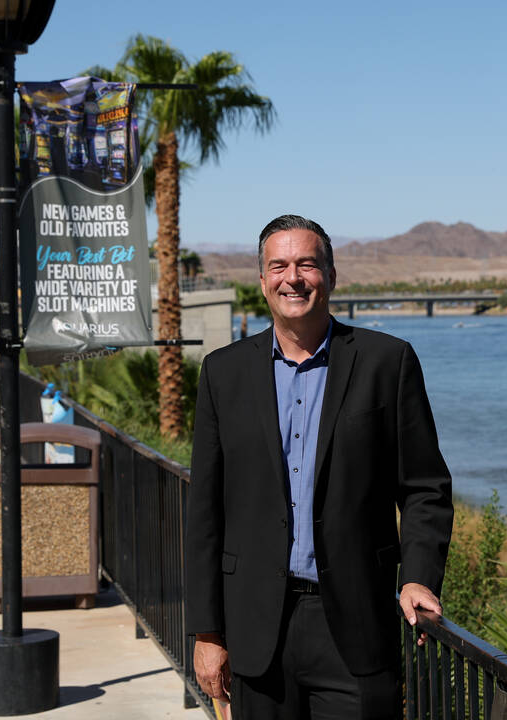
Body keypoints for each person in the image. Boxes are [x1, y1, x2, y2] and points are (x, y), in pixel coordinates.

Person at [185, 215, 453, 720]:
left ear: (331, 275)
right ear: (262, 280)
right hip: (257, 626)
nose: (294, 277)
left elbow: (424, 486)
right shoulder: (223, 373)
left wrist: (418, 577)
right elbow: (205, 512)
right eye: (279, 265)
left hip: (355, 627)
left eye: (307, 264)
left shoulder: (387, 362)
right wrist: (206, 632)